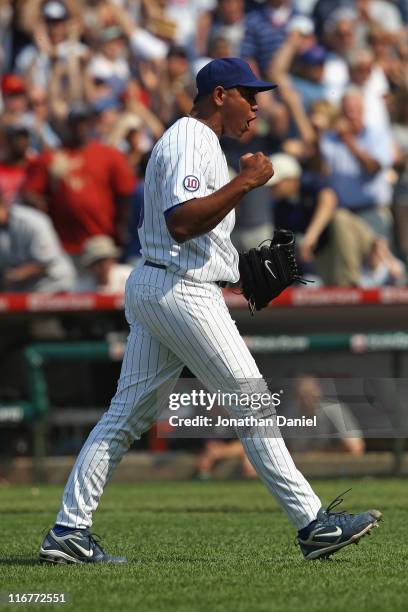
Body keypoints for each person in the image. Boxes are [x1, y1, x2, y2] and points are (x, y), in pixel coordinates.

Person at [39, 57, 382, 565]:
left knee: (125, 417)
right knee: (251, 401)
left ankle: (69, 530)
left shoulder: (200, 143)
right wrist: (246, 183)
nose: (257, 105)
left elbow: (189, 231)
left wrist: (237, 269)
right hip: (179, 290)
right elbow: (181, 222)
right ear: (220, 94)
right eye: (250, 94)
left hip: (169, 281)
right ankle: (313, 525)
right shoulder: (189, 139)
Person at [0, 190, 76, 293]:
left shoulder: (33, 221)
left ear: (3, 204)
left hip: (54, 282)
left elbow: (44, 263)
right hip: (25, 287)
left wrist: (14, 275)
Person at [284, 375, 366, 455]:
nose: (305, 400)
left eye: (309, 394)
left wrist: (318, 455)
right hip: (298, 466)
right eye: (300, 396)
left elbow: (356, 447)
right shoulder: (289, 413)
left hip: (334, 466)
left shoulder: (334, 410)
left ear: (318, 392)